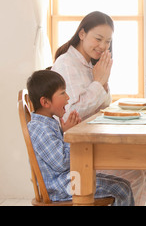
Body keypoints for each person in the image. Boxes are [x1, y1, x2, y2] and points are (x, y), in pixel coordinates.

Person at [51, 11, 146, 206]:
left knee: (144, 167)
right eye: (98, 39)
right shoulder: (67, 63)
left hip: (92, 143)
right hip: (77, 154)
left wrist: (103, 82)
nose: (103, 46)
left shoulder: (89, 64)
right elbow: (73, 113)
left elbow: (104, 105)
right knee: (138, 172)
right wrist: (99, 82)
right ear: (82, 34)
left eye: (107, 41)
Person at [26, 70, 135, 205]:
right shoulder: (40, 128)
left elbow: (57, 152)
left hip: (66, 180)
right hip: (60, 187)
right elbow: (61, 163)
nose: (67, 97)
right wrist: (70, 134)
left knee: (123, 184)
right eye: (62, 93)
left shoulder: (46, 123)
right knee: (122, 189)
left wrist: (65, 132)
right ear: (45, 102)